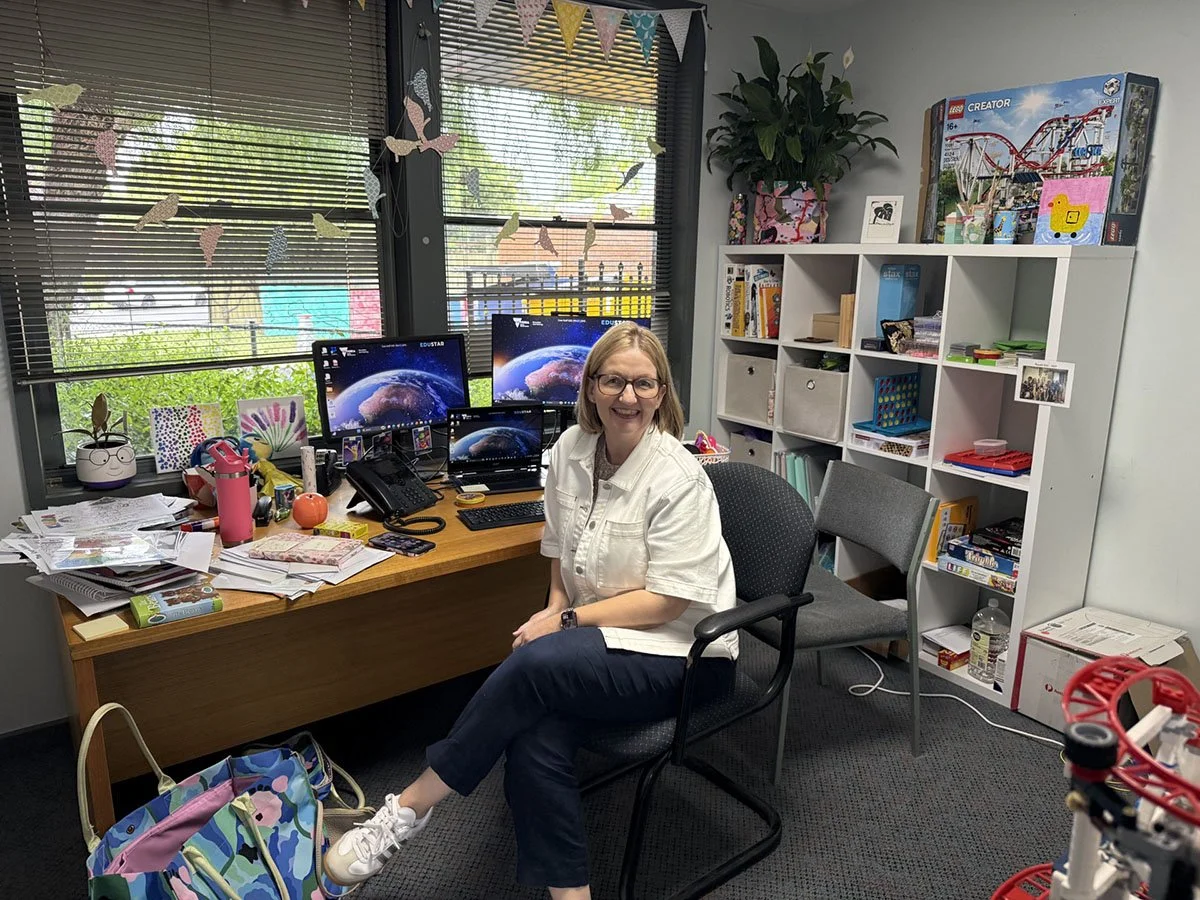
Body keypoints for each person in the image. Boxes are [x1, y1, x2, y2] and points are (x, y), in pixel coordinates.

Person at [323, 322, 738, 899]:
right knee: (534, 738)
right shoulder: (569, 451)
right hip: (602, 640)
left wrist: (563, 624)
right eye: (613, 381)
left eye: (645, 384)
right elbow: (559, 551)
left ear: (662, 393)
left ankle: (407, 810)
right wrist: (558, 605)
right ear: (590, 387)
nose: (628, 397)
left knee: (534, 668)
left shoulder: (678, 478)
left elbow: (668, 600)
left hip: (684, 652)